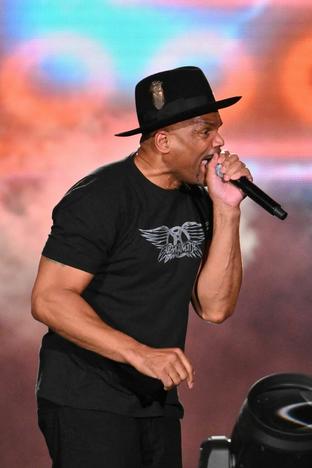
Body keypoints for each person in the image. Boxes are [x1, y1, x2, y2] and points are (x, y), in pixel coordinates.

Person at [31, 66, 251, 467]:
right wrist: (140, 354)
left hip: (156, 401)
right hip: (87, 399)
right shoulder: (100, 198)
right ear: (164, 141)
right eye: (205, 131)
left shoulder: (199, 200)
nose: (219, 142)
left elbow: (215, 308)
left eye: (218, 129)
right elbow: (49, 299)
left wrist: (227, 209)